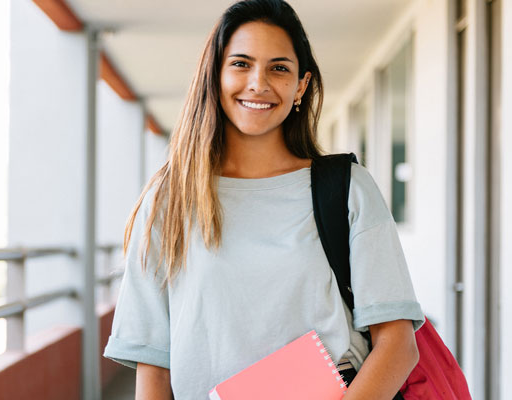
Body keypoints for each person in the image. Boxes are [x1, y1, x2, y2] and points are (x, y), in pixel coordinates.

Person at [103, 0, 424, 398]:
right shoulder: (169, 200)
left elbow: (398, 344)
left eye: (279, 68)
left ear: (301, 85)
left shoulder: (347, 190)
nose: (258, 83)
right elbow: (154, 368)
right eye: (240, 63)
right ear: (215, 75)